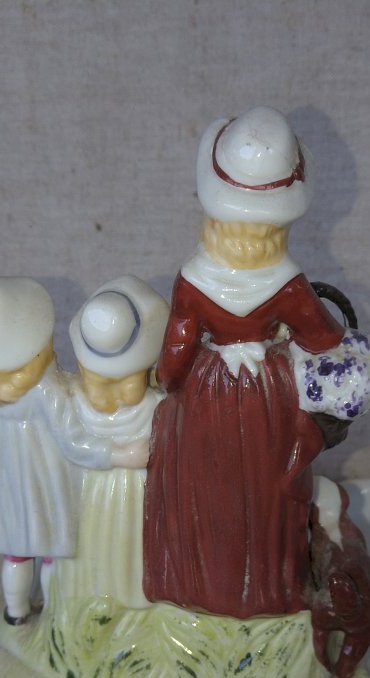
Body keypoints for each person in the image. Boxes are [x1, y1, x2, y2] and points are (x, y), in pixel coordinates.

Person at [142, 106, 347, 618]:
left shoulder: (194, 279)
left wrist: (164, 381)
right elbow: (323, 336)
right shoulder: (288, 281)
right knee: (263, 491)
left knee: (206, 492)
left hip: (207, 392)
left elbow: (176, 353)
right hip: (264, 394)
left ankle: (200, 589)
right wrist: (284, 336)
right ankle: (265, 591)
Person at [0, 277, 121, 624]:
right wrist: (114, 454)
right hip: (41, 484)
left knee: (15, 555)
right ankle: (52, 612)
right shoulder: (47, 388)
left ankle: (15, 611)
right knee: (51, 555)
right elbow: (73, 440)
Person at [56, 275, 168, 607]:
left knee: (132, 542)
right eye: (98, 376)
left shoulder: (154, 404)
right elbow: (71, 443)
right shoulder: (73, 402)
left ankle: (135, 598)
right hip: (91, 489)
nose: (111, 387)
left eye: (126, 378)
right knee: (94, 541)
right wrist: (117, 455)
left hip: (139, 492)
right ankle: (90, 597)